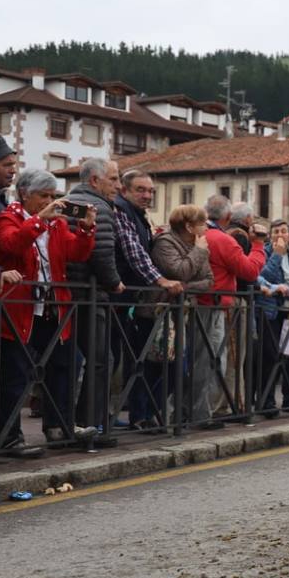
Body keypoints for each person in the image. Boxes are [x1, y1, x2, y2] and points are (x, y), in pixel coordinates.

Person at [0, 169, 97, 454]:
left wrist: (86, 229)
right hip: (20, 310)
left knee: (64, 367)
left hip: (53, 307)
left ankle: (59, 428)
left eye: (53, 196)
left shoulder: (56, 224)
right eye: (44, 195)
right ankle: (9, 438)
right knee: (15, 375)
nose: (50, 201)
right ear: (26, 194)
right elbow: (11, 243)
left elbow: (76, 253)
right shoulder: (8, 216)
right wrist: (41, 220)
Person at [112, 169, 182, 428]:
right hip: (118, 295)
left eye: (150, 190)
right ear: (125, 190)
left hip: (132, 298)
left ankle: (124, 415)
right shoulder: (121, 211)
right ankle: (109, 417)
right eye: (140, 190)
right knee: (116, 359)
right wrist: (161, 280)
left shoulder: (138, 215)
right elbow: (134, 253)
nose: (147, 195)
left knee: (129, 359)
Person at [63, 157, 124, 444]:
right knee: (101, 359)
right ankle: (90, 424)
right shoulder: (98, 207)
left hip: (67, 293)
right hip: (89, 293)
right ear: (95, 181)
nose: (118, 186)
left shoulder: (67, 202)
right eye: (113, 179)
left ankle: (65, 423)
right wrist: (114, 282)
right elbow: (102, 253)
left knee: (65, 360)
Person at [193, 195, 265, 427]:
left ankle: (194, 410)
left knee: (202, 359)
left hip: (201, 301)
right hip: (215, 304)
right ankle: (202, 413)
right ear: (227, 216)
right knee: (214, 361)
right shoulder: (222, 239)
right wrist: (258, 245)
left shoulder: (201, 235)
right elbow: (250, 271)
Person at [148, 205, 214, 425]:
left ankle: (159, 414)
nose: (206, 228)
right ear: (189, 226)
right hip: (162, 310)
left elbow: (209, 281)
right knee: (159, 366)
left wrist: (184, 286)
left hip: (184, 310)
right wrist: (199, 253)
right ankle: (147, 415)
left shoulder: (197, 244)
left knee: (180, 368)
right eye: (202, 224)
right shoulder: (165, 242)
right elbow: (178, 271)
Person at [255, 219, 289, 412]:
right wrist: (277, 255)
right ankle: (266, 401)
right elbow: (263, 276)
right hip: (270, 311)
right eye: (276, 231)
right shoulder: (265, 252)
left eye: (284, 231)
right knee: (269, 357)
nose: (280, 235)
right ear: (270, 236)